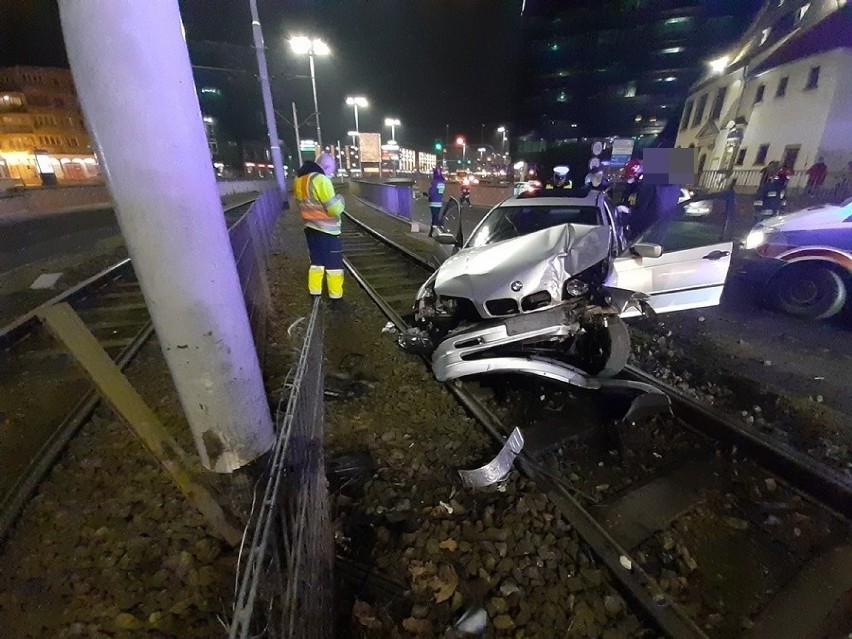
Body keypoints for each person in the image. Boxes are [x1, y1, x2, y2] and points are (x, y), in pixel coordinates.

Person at [293, 152, 346, 300]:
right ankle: (336, 299)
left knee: (316, 262)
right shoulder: (321, 180)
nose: (331, 175)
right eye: (331, 171)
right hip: (327, 231)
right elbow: (334, 209)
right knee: (334, 266)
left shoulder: (300, 180)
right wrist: (341, 200)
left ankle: (315, 293)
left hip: (310, 229)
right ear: (326, 167)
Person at [427, 167, 446, 235]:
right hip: (439, 202)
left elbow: (432, 192)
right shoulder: (442, 182)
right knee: (436, 216)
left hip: (433, 202)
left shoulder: (435, 182)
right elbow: (440, 192)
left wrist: (428, 194)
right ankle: (431, 232)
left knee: (434, 218)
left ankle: (438, 231)